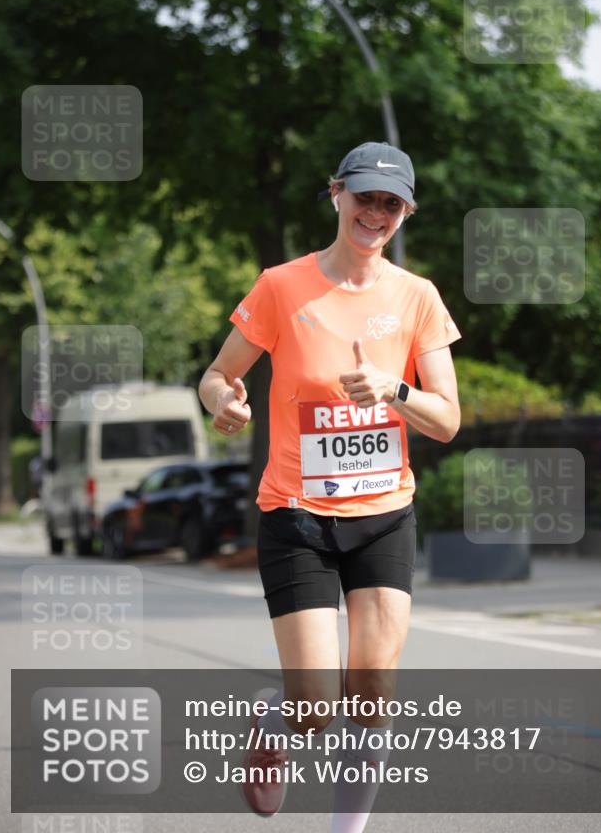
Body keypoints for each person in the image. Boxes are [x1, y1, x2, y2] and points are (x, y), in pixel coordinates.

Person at [198, 141, 462, 831]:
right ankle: (274, 723)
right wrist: (223, 403)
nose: (375, 212)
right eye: (364, 196)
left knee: (371, 691)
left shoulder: (417, 297)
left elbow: (446, 419)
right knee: (314, 706)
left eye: (390, 203)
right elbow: (218, 374)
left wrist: (393, 388)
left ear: (404, 213)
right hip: (298, 516)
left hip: (384, 515)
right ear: (336, 193)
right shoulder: (281, 285)